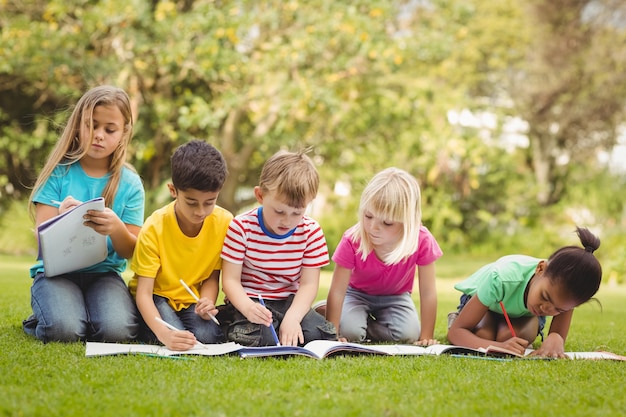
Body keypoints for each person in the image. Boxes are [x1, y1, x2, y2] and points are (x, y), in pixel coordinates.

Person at [23, 85, 144, 343]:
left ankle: (83, 314)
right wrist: (63, 220)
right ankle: (43, 319)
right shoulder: (59, 172)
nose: (99, 135)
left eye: (109, 129)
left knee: (117, 331)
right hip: (56, 273)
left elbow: (133, 250)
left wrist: (116, 228)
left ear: (123, 133)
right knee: (64, 331)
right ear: (78, 126)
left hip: (104, 274)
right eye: (91, 126)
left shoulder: (130, 183)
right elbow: (41, 238)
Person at [220, 150, 337, 347]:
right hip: (251, 302)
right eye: (279, 211)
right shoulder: (241, 227)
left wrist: (292, 318)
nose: (287, 221)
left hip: (289, 303)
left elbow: (309, 285)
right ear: (260, 195)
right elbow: (230, 281)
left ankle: (283, 324)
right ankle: (229, 323)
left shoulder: (311, 231)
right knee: (260, 338)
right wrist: (248, 308)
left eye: (296, 213)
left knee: (322, 336)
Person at [129, 140, 233, 351]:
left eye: (209, 202)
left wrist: (207, 301)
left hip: (189, 299)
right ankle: (144, 325)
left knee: (208, 336)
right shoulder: (154, 227)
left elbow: (213, 276)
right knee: (175, 337)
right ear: (173, 190)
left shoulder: (225, 223)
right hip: (156, 297)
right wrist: (164, 334)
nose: (200, 212)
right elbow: (144, 294)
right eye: (192, 202)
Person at [320, 168, 442, 345]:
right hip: (356, 294)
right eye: (368, 216)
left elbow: (428, 292)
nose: (373, 227)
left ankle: (357, 320)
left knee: (407, 335)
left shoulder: (421, 239)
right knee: (350, 333)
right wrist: (333, 332)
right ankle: (342, 316)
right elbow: (338, 290)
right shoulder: (352, 239)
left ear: (408, 221)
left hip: (396, 297)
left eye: (387, 223)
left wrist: (426, 337)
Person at [447, 226, 602, 358]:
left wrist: (556, 338)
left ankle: (502, 331)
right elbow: (456, 333)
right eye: (544, 296)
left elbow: (557, 336)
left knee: (511, 337)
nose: (546, 309)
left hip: (522, 313)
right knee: (483, 336)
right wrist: (497, 346)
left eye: (559, 309)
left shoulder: (568, 293)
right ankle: (459, 316)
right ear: (540, 268)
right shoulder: (502, 278)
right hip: (486, 304)